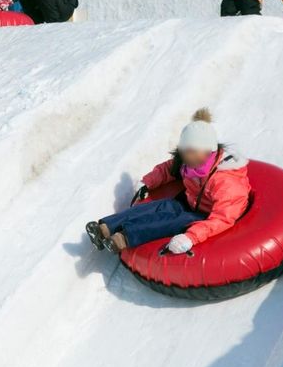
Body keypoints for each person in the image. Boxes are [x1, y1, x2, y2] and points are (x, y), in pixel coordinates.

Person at [86, 109, 251, 256]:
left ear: (209, 150)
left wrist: (191, 237)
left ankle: (121, 239)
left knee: (171, 222)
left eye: (191, 151)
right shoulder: (190, 161)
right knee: (156, 208)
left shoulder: (227, 182)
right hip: (188, 202)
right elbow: (168, 168)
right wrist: (147, 182)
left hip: (206, 216)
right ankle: (104, 229)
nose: (186, 156)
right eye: (185, 151)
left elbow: (223, 218)